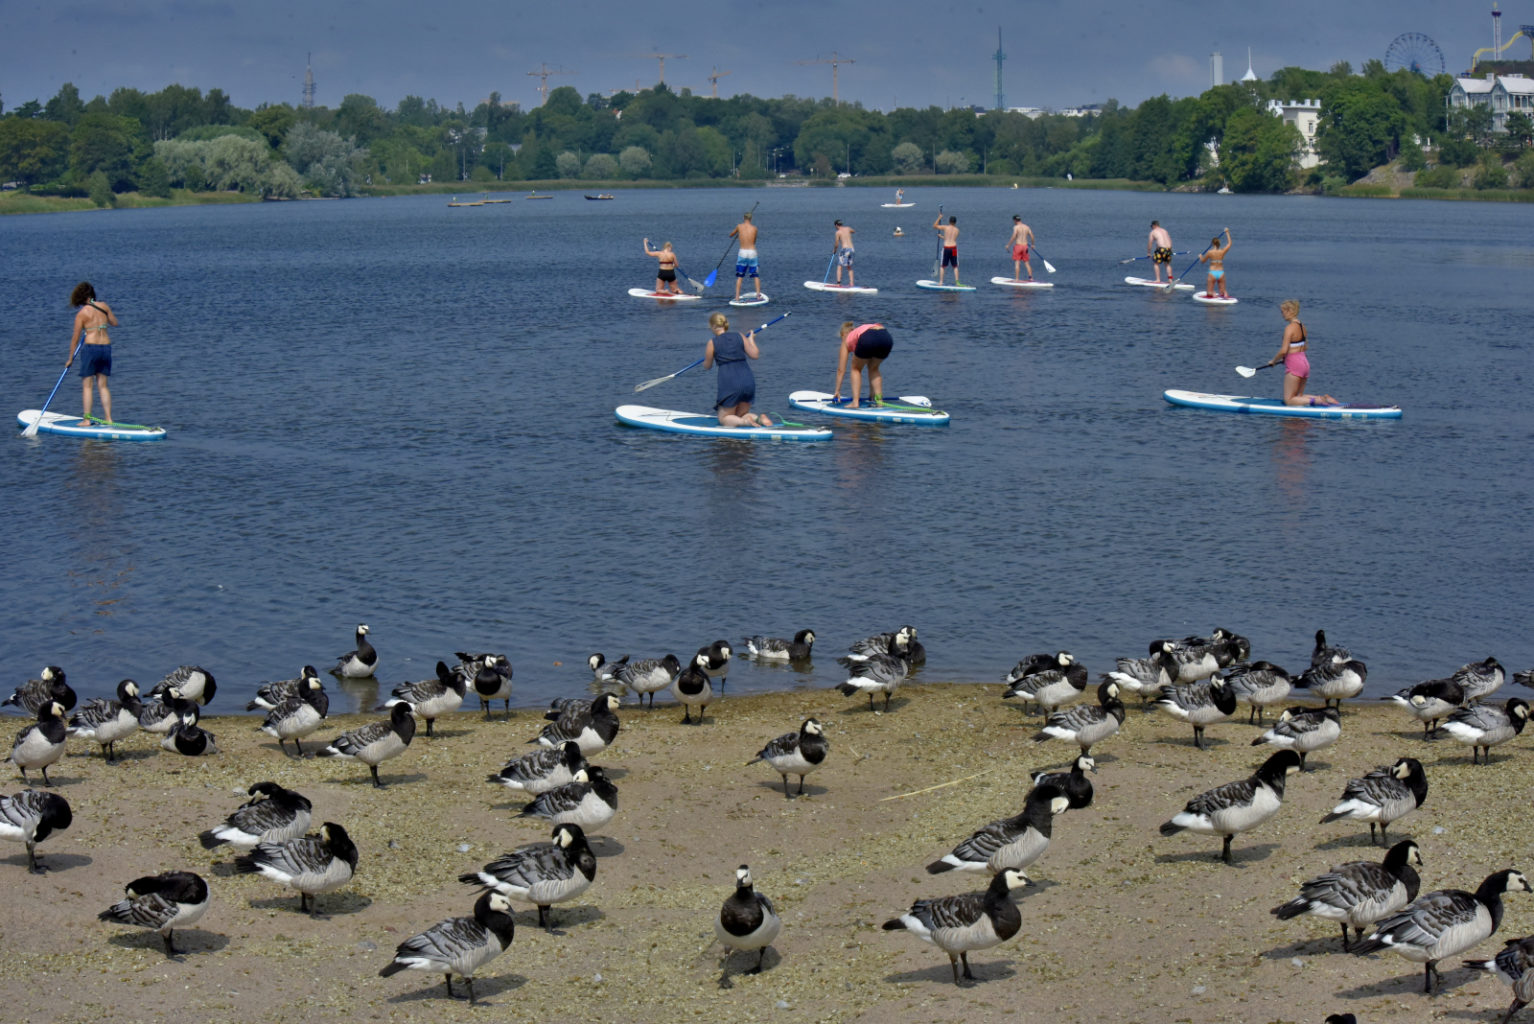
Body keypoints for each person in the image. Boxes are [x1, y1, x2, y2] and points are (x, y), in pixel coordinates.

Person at [704, 312, 772, 427]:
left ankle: (746, 422)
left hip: (730, 382)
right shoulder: (739, 336)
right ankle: (759, 419)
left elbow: (707, 366)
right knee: (741, 414)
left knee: (724, 418)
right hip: (747, 379)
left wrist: (708, 357)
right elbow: (755, 355)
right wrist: (751, 340)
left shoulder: (712, 342)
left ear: (713, 327)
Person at [1266, 299, 1339, 407]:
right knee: (1298, 397)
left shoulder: (1289, 328)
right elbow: (1304, 346)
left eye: (1283, 312)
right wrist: (1286, 359)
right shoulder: (1302, 327)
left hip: (1294, 364)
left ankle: (1319, 400)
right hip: (1304, 362)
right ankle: (1324, 398)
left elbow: (1284, 350)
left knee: (1289, 400)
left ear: (1289, 311)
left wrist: (1273, 361)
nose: (1282, 315)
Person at [65, 281, 118, 423]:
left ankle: (86, 420)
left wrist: (70, 359)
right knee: (103, 385)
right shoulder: (104, 306)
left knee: (87, 386)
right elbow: (114, 322)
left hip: (91, 348)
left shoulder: (82, 314)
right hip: (106, 348)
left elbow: (75, 339)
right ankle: (109, 418)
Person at [832, 321, 894, 409]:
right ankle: (879, 402)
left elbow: (841, 370)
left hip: (869, 337)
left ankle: (855, 402)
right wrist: (871, 394)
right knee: (874, 368)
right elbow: (875, 336)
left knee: (855, 369)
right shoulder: (860, 330)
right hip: (886, 337)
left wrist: (837, 391)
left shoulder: (846, 339)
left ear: (843, 334)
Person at [729, 211, 761, 302]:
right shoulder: (755, 228)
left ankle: (737, 297)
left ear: (744, 218)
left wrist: (737, 234)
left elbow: (730, 235)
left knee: (740, 276)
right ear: (751, 219)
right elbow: (754, 241)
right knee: (756, 275)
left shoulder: (739, 226)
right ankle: (758, 295)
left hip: (742, 252)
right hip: (752, 252)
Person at [1199, 228, 1232, 298]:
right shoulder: (1222, 251)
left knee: (1209, 292)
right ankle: (1225, 293)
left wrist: (1200, 257)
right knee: (1222, 291)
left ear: (1212, 244)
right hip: (1221, 272)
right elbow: (1229, 244)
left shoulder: (1210, 252)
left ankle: (1213, 293)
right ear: (1219, 244)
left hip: (1212, 273)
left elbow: (1203, 261)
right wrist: (1227, 233)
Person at [932, 215, 960, 285]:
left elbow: (934, 226)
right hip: (953, 248)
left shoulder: (945, 227)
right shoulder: (957, 230)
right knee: (955, 266)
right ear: (955, 222)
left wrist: (939, 217)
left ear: (949, 221)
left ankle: (941, 282)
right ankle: (957, 282)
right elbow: (951, 238)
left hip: (947, 248)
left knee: (943, 266)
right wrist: (941, 236)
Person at [1007, 215, 1036, 281]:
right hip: (1025, 247)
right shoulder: (1027, 227)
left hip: (1018, 246)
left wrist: (1008, 245)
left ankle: (1017, 279)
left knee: (1017, 263)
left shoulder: (1016, 227)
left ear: (1015, 220)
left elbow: (1014, 236)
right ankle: (1031, 278)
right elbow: (1032, 236)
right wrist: (1033, 244)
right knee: (1027, 263)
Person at [832, 220, 856, 287]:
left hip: (845, 250)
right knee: (849, 266)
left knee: (839, 266)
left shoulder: (838, 232)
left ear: (836, 225)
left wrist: (834, 250)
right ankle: (851, 283)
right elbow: (853, 231)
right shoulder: (848, 228)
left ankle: (838, 284)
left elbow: (836, 243)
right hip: (852, 249)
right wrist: (848, 232)